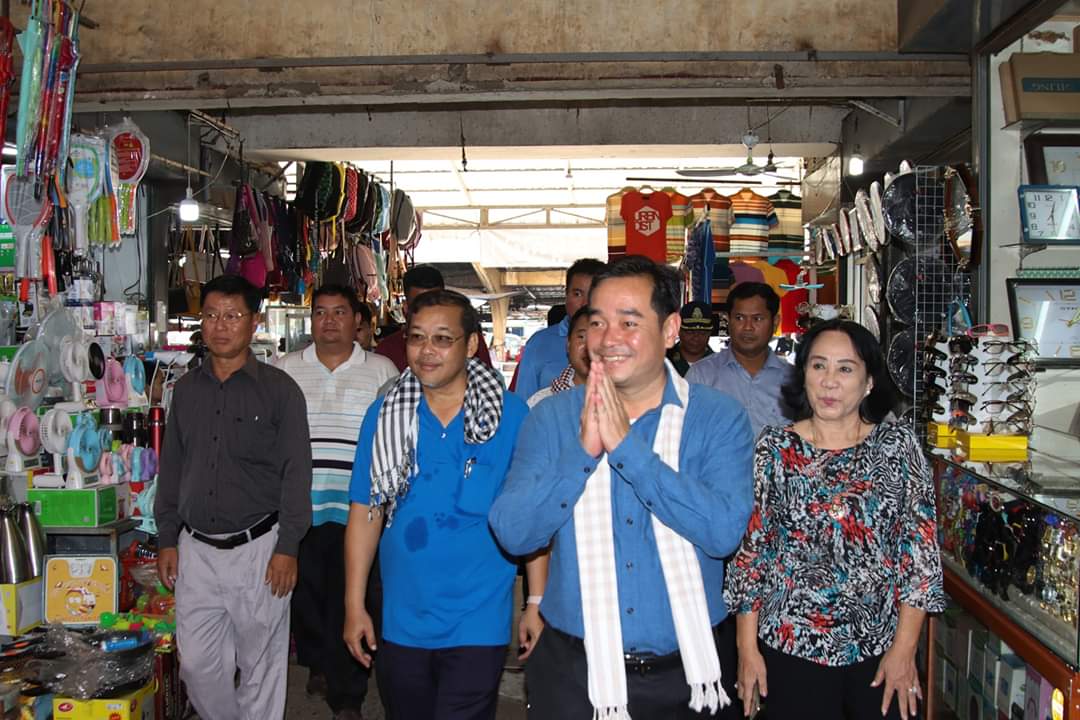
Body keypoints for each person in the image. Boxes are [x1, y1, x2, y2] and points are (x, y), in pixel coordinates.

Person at [490, 256, 754, 720]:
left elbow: (722, 533)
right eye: (597, 322)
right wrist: (581, 454)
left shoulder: (717, 418)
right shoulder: (552, 417)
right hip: (574, 674)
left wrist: (629, 450)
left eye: (629, 323)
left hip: (692, 674)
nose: (608, 339)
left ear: (670, 330)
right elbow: (513, 532)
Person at [724, 319, 945, 720]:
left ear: (869, 381)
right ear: (803, 374)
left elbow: (919, 558)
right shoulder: (776, 448)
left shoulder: (897, 447)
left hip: (880, 648)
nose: (829, 381)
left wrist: (905, 648)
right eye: (818, 366)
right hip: (790, 645)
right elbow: (752, 555)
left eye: (845, 368)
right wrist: (746, 649)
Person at [343, 289, 529, 720]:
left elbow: (530, 518)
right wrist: (354, 605)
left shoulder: (512, 417)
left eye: (443, 339)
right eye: (416, 337)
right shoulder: (385, 416)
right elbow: (366, 513)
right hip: (402, 618)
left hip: (479, 618)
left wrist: (535, 601)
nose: (426, 350)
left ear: (471, 344)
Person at [155, 274, 312, 720]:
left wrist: (287, 547)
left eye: (232, 316)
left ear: (254, 323)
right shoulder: (186, 391)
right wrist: (167, 538)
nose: (220, 326)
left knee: (261, 666)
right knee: (197, 666)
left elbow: (297, 473)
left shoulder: (280, 391)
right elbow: (172, 468)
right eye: (211, 316)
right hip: (196, 549)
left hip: (259, 550)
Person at [275, 285, 398, 720]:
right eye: (321, 312)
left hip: (359, 507)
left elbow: (393, 434)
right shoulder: (285, 369)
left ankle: (348, 695)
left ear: (357, 320)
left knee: (352, 595)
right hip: (301, 505)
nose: (329, 321)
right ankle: (317, 662)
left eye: (339, 312)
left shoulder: (381, 370)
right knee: (305, 596)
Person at [687, 282, 793, 437]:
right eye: (739, 318)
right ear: (728, 320)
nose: (747, 327)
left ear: (775, 322)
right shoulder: (701, 376)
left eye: (757, 319)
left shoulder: (793, 379)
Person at [513, 258, 606, 400]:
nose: (585, 303)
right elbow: (524, 400)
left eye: (593, 294)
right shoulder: (539, 343)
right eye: (577, 294)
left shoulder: (616, 341)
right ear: (566, 295)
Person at [376, 264, 493, 371]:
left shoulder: (467, 340)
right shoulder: (387, 350)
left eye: (443, 340)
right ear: (406, 308)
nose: (427, 350)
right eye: (421, 306)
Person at [527, 304, 590, 408]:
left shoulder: (619, 402)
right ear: (568, 344)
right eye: (582, 337)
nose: (589, 346)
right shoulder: (540, 403)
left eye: (598, 337)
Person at [667, 300, 715, 376]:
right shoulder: (664, 360)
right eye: (690, 332)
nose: (696, 338)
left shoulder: (719, 364)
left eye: (702, 333)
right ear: (678, 330)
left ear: (710, 333)